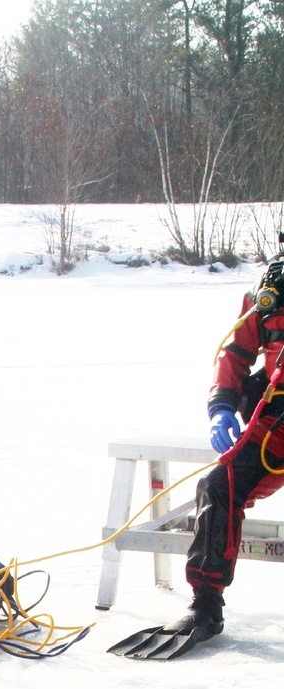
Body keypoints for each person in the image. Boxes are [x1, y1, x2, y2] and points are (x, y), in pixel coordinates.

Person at [111, 253, 284, 660]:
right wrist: (222, 405)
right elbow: (236, 351)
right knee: (217, 485)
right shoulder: (271, 292)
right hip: (275, 428)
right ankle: (206, 604)